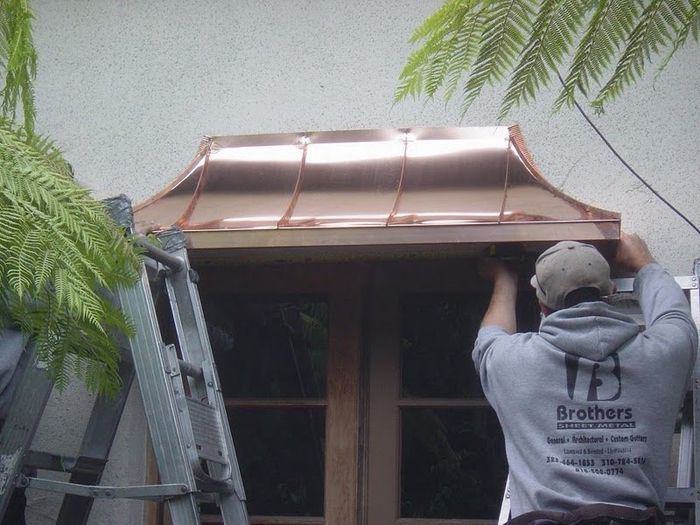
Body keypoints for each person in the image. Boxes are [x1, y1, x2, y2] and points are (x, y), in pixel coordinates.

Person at [473, 233, 698, 524]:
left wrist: (504, 279)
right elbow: (677, 319)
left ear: (542, 306)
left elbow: (490, 337)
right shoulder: (662, 356)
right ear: (613, 293)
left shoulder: (513, 363)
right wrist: (644, 263)